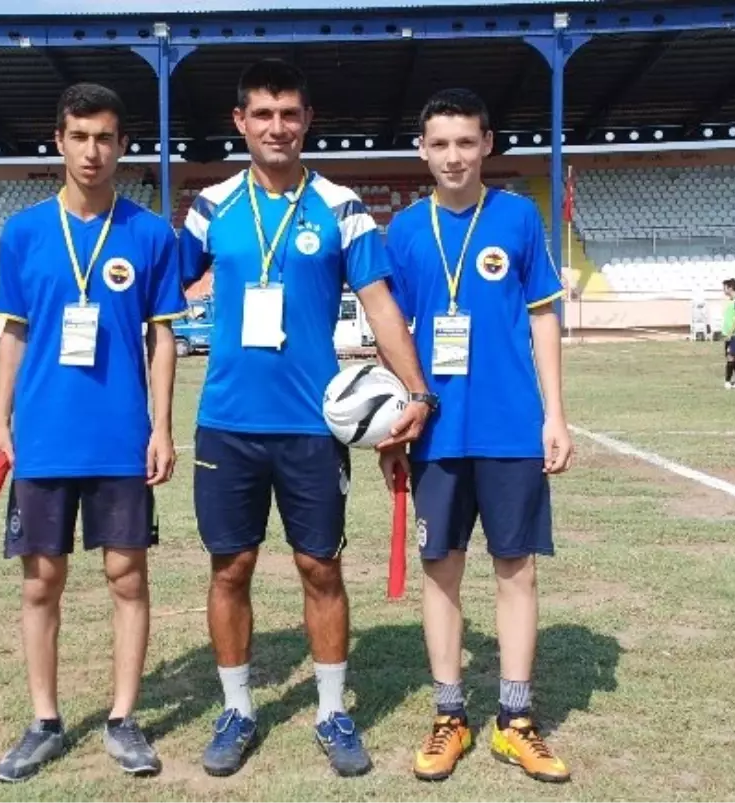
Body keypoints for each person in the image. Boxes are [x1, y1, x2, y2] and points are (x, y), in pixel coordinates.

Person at [176, 58, 435, 779]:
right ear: (241, 123)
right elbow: (162, 289)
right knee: (231, 567)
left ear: (307, 119)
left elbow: (380, 303)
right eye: (262, 114)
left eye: (289, 114)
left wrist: (417, 391)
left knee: (320, 565)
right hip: (226, 421)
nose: (277, 127)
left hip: (314, 425)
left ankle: (330, 710)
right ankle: (238, 707)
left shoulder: (342, 206)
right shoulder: (211, 206)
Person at [0, 82, 186, 782]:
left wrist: (162, 427)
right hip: (42, 434)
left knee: (126, 575)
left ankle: (124, 719)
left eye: (105, 137)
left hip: (121, 437)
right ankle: (43, 720)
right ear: (58, 141)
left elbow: (164, 338)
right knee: (41, 581)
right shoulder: (25, 232)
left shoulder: (151, 233)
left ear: (122, 145)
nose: (92, 150)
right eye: (79, 136)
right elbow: (14, 330)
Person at [378, 88, 575, 785]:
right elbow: (389, 331)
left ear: (486, 143)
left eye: (467, 142)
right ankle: (449, 713)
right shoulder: (402, 231)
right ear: (422, 150)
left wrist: (554, 413)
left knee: (516, 569)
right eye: (441, 143)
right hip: (435, 432)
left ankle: (515, 720)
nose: (455, 155)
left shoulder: (519, 218)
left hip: (511, 427)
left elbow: (545, 319)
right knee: (443, 570)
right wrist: (397, 418)